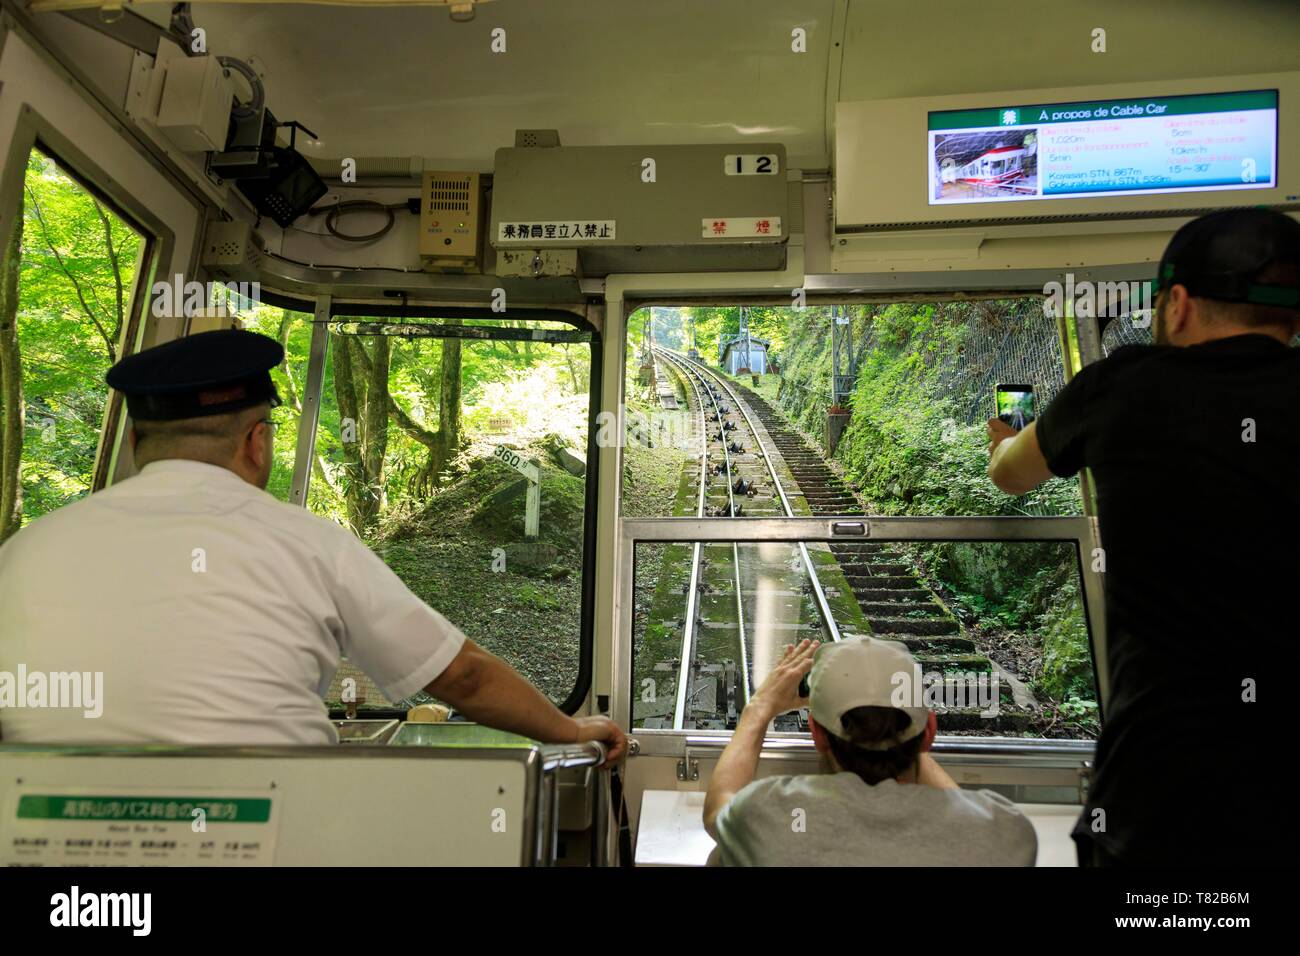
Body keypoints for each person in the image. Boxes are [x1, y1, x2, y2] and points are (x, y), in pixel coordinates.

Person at [0, 328, 625, 765]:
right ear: (257, 443)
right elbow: (460, 676)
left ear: (136, 440)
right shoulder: (310, 543)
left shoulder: (27, 551)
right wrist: (570, 728)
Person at [986, 207, 1300, 865]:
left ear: (1179, 304)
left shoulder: (1120, 388)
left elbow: (1010, 475)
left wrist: (1004, 443)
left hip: (1160, 781)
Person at [703, 637, 1037, 866]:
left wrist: (759, 708)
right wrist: (907, 735)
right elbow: (966, 813)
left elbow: (718, 809)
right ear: (929, 732)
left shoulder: (765, 817)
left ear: (817, 734)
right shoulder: (1005, 831)